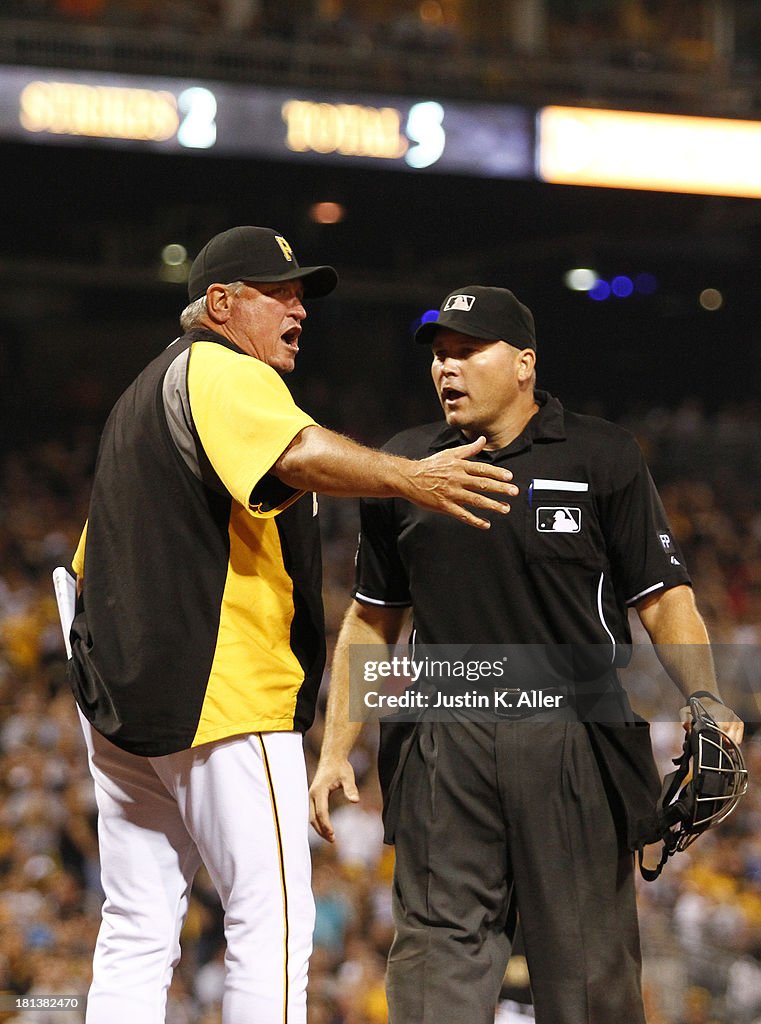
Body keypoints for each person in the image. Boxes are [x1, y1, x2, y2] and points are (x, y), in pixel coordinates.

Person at [67, 234, 517, 1024]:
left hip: (124, 702)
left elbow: (85, 563)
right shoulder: (218, 367)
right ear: (220, 304)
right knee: (270, 921)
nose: (299, 308)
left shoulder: (141, 395)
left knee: (137, 924)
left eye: (301, 294)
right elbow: (301, 451)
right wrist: (413, 474)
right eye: (277, 292)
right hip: (223, 690)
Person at [309, 284, 745, 1024]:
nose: (445, 369)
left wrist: (703, 695)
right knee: (433, 977)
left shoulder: (600, 454)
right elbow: (372, 619)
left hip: (572, 727)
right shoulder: (405, 465)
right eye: (438, 356)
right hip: (444, 730)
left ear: (523, 364)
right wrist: (333, 750)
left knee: (586, 982)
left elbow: (662, 595)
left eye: (465, 351)